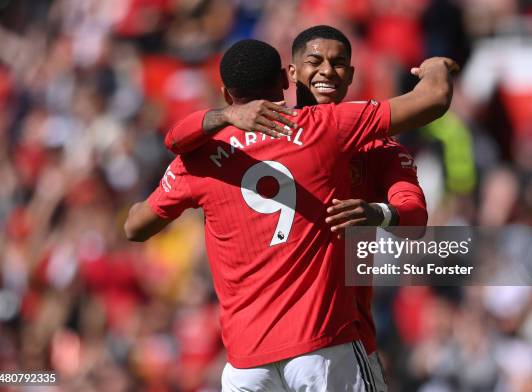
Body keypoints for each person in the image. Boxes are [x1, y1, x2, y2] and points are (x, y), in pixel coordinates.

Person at [125, 39, 457, 390]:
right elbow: (433, 99)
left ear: (225, 93)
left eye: (337, 62)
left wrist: (218, 119)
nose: (327, 71)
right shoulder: (326, 127)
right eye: (316, 61)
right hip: (324, 346)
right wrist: (437, 65)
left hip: (246, 365)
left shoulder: (201, 158)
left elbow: (135, 225)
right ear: (289, 77)